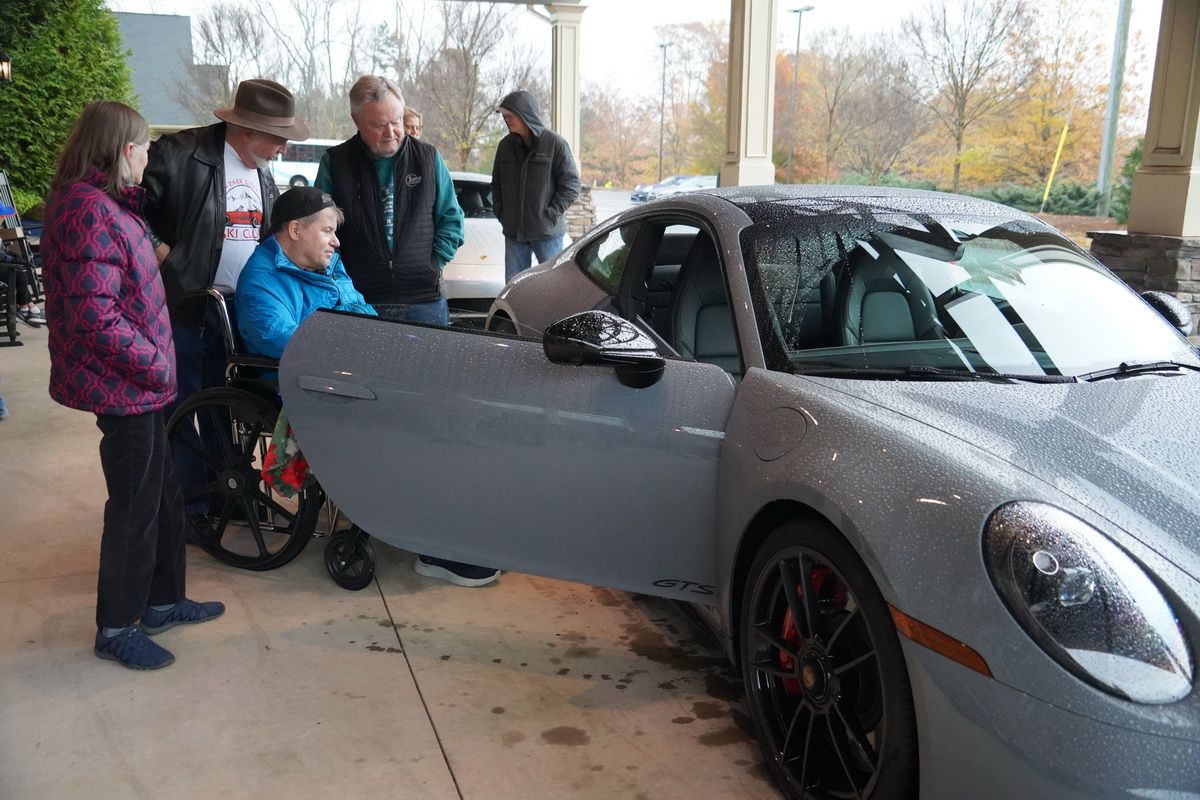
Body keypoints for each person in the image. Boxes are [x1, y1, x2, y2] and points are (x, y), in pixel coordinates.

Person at [41, 101, 225, 671]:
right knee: (134, 509)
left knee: (163, 495)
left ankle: (163, 602)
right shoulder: (88, 210)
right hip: (124, 385)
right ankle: (117, 626)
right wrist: (155, 365)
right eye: (145, 147)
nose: (149, 158)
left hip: (139, 383)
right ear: (126, 151)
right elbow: (94, 316)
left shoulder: (109, 205)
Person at [141, 78, 309, 525]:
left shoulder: (261, 169)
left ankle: (226, 496)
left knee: (224, 407)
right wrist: (164, 255)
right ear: (249, 129)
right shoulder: (180, 153)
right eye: (278, 138)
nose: (283, 149)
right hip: (185, 307)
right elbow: (128, 205)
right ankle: (191, 507)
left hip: (235, 309)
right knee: (181, 408)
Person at [314, 75, 464, 326]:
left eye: (396, 121)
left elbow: (451, 218)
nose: (391, 133)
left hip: (424, 299)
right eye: (379, 125)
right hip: (360, 299)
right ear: (356, 120)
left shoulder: (428, 158)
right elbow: (320, 230)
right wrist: (339, 278)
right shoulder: (336, 162)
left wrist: (434, 263)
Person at [235, 187, 375, 359]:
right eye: (327, 231)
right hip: (308, 372)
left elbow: (361, 310)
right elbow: (284, 339)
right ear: (295, 230)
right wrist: (360, 348)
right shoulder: (260, 280)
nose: (336, 242)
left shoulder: (329, 264)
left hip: (351, 364)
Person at [491, 89, 581, 282]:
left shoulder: (555, 144)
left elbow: (572, 184)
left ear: (525, 113)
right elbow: (496, 183)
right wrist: (501, 212)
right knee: (514, 287)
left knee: (551, 286)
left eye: (510, 115)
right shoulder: (505, 146)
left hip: (546, 232)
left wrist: (551, 214)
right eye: (504, 115)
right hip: (514, 232)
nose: (506, 119)